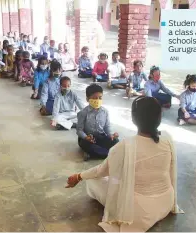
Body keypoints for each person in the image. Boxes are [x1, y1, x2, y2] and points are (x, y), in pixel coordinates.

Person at [66, 96, 183, 232]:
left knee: (94, 180)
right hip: (165, 202)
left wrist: (79, 176)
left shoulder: (125, 146)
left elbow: (101, 171)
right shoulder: (167, 138)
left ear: (133, 119)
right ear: (159, 117)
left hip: (137, 213)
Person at [76, 84, 119, 161]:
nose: (97, 100)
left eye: (100, 98)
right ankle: (109, 154)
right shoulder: (83, 113)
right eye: (94, 98)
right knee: (85, 144)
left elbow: (107, 127)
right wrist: (86, 137)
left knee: (115, 141)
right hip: (88, 139)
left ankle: (95, 154)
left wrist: (111, 135)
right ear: (87, 99)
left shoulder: (105, 112)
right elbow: (79, 130)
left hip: (101, 137)